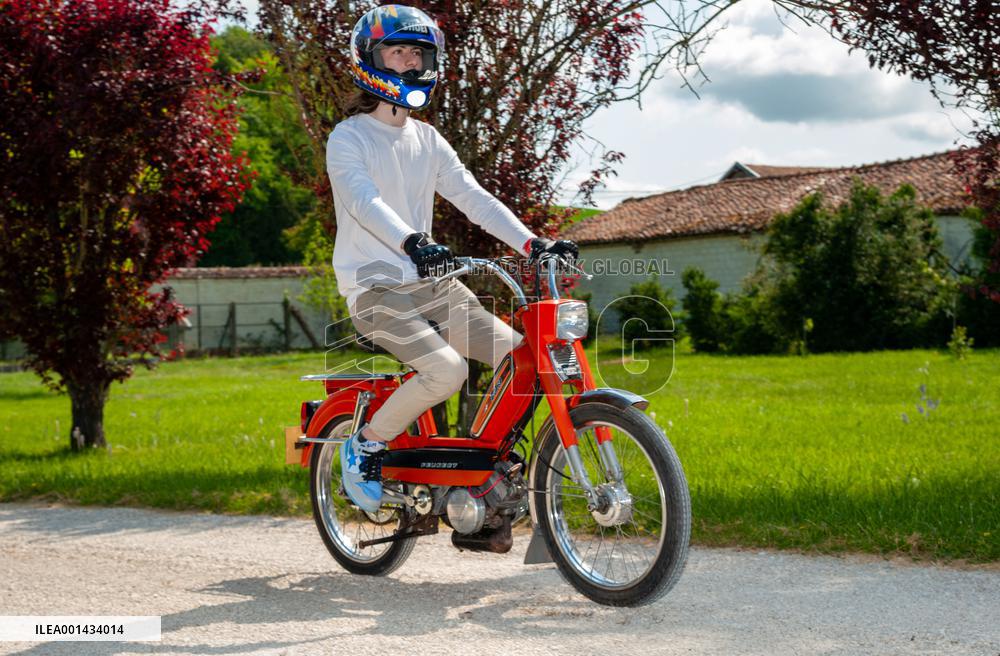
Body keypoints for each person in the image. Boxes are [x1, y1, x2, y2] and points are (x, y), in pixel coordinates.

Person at [326, 5, 577, 513]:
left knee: (523, 357)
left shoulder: (427, 139)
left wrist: (533, 244)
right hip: (374, 287)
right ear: (371, 59)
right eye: (398, 51)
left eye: (418, 53)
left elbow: (475, 198)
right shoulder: (349, 137)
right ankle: (366, 445)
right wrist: (415, 242)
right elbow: (364, 202)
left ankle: (486, 463)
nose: (410, 63)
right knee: (446, 370)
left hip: (432, 283)